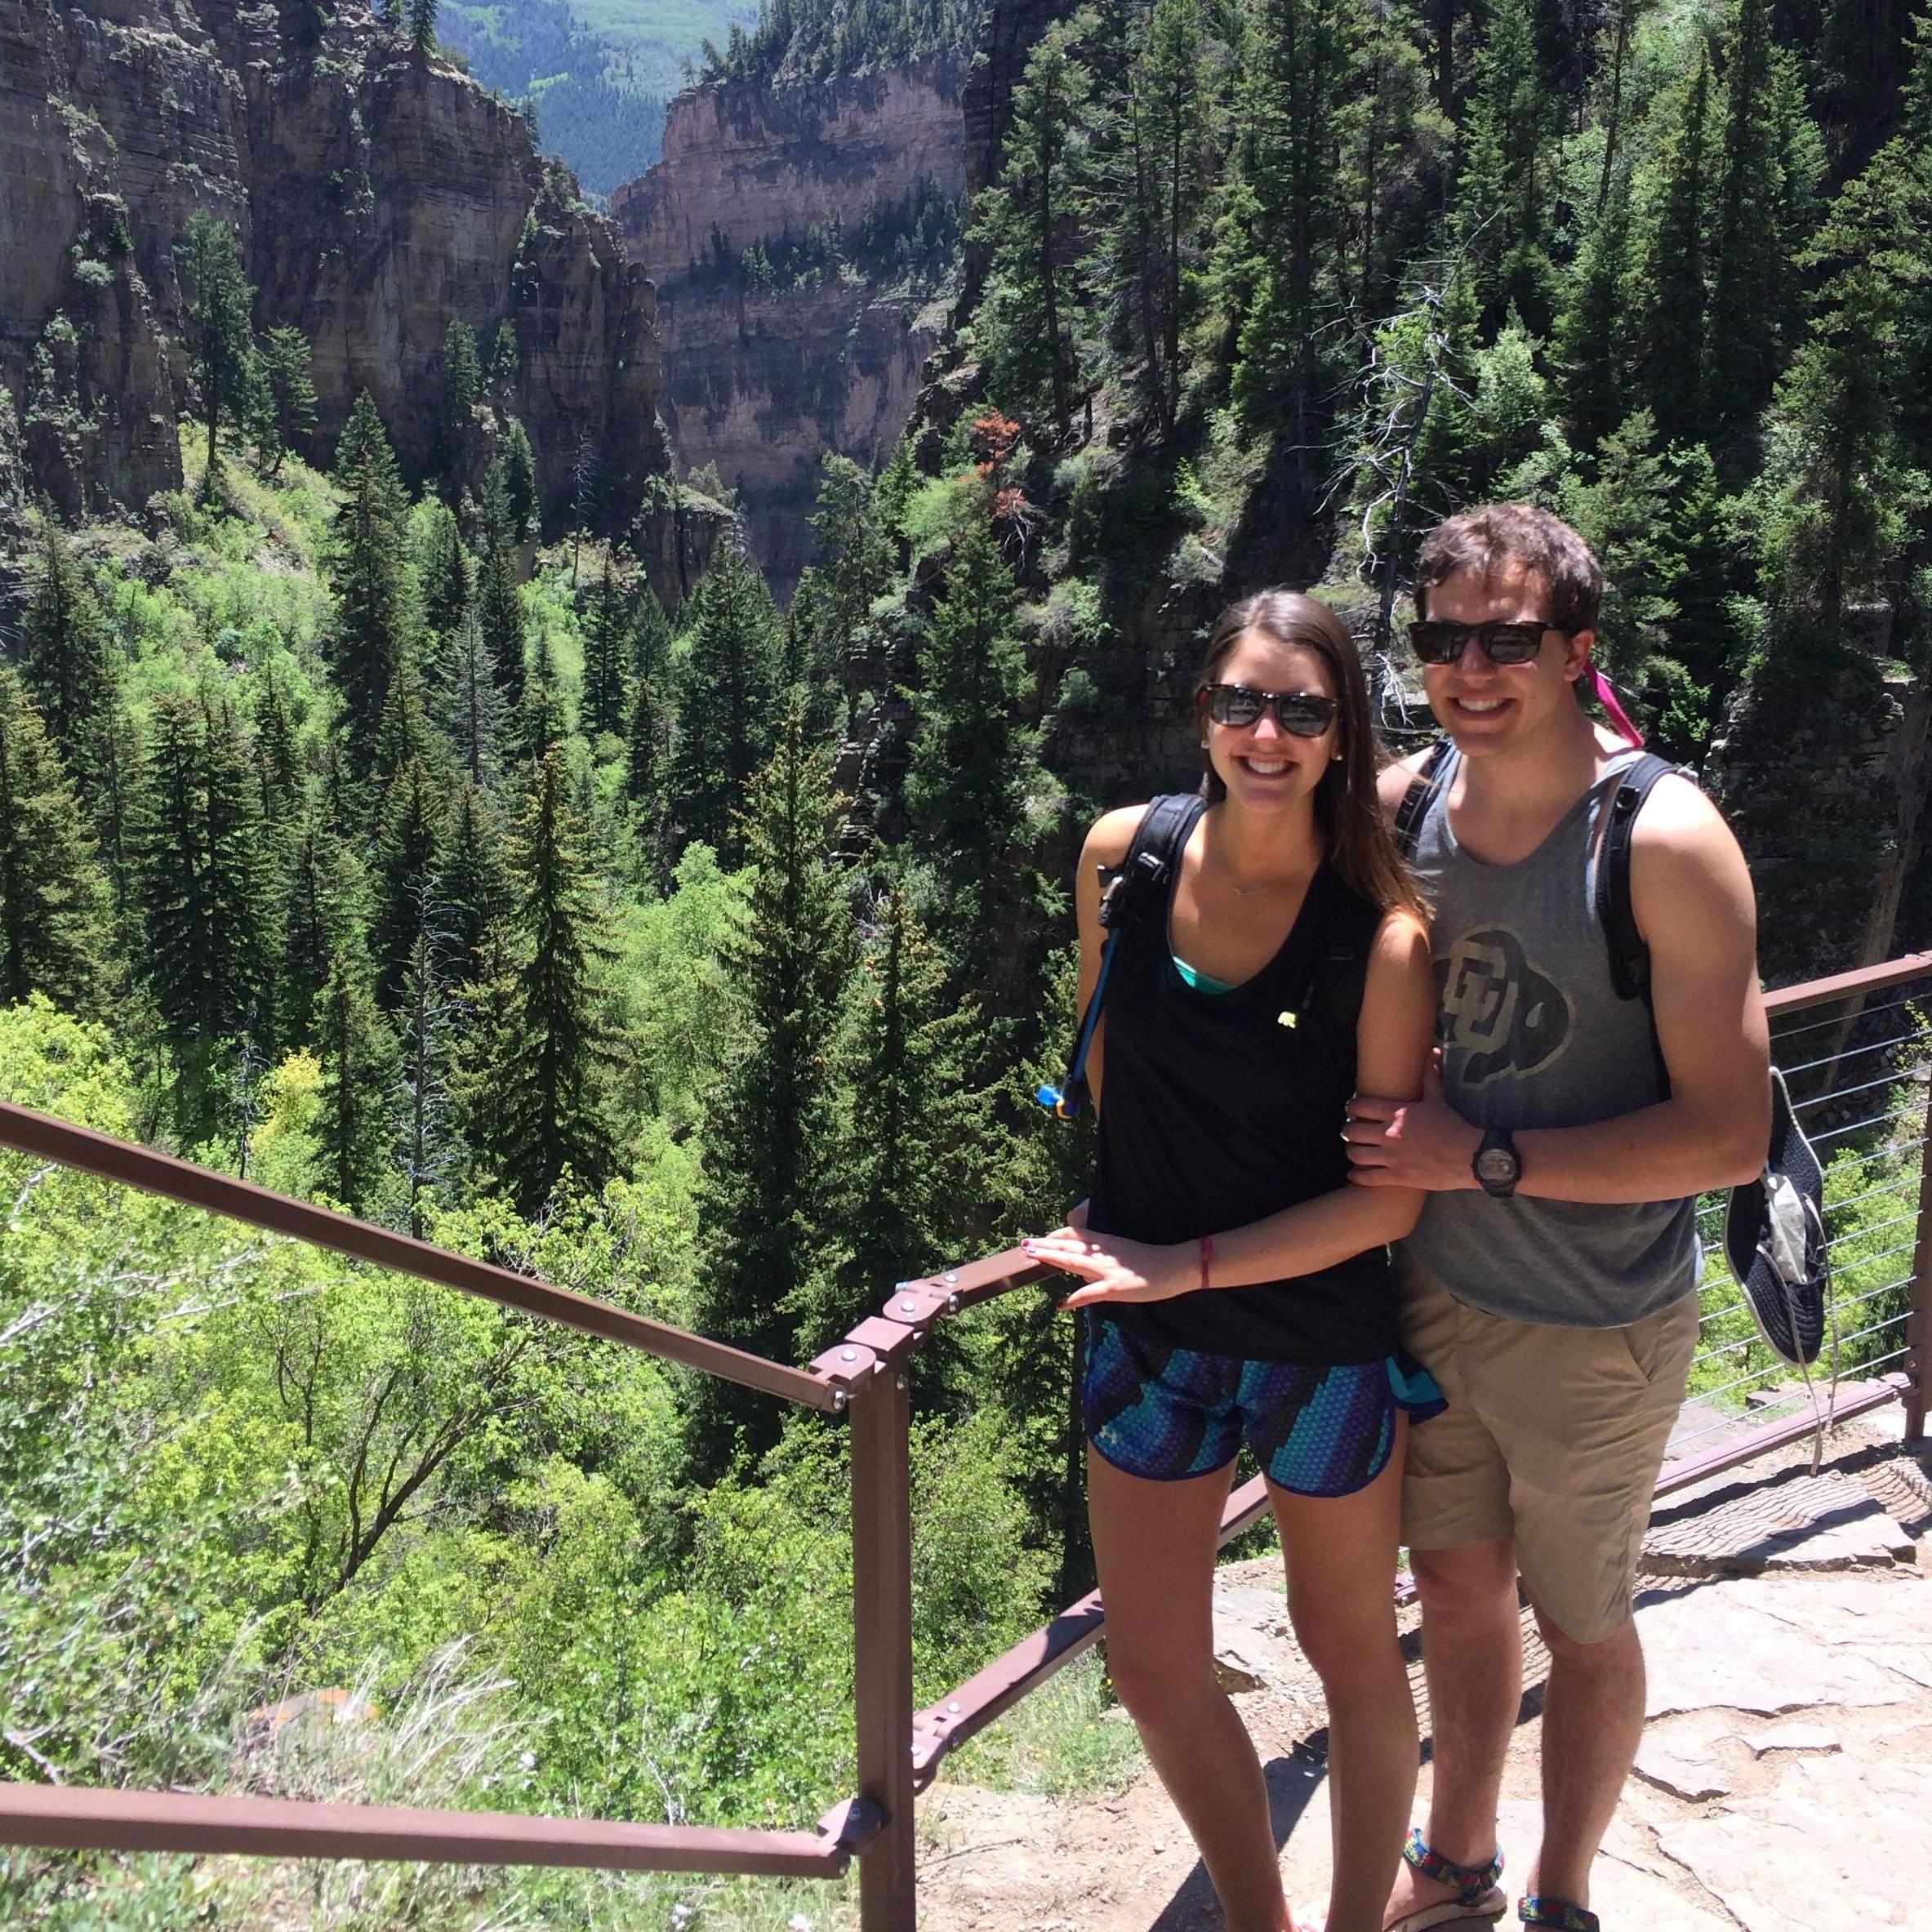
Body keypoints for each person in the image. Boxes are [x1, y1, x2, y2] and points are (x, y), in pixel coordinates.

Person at [1344, 505, 1770, 1932]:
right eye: (1442, 637)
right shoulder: (1408, 810)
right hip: (1430, 1299)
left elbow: (1729, 1133)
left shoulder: (1661, 836)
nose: (1470, 666)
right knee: (1459, 1597)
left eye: (1506, 637)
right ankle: (1451, 1866)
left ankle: (1562, 1893)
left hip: (1594, 1317)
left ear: (1577, 649)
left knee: (1582, 1625)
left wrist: (1481, 1161)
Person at [1022, 590, 1442, 1932]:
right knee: (1151, 1664)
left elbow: (1385, 1209)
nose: (1266, 733)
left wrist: (1183, 1261)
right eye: (1240, 703)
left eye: (1302, 710)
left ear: (1340, 734)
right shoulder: (1119, 859)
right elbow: (1100, 1061)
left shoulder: (1378, 937)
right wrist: (1135, 1245)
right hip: (1149, 1332)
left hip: (1315, 1344)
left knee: (1354, 1659)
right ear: (1202, 710)